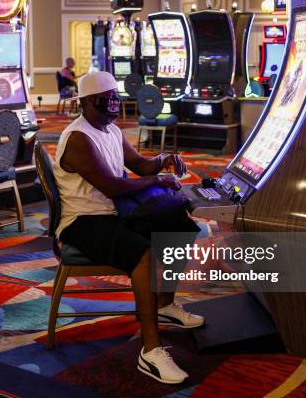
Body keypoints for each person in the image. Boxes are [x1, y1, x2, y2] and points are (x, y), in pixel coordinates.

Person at [53, 71, 205, 384]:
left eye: (114, 97)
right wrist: (155, 180)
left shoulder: (110, 129)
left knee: (180, 225)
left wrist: (163, 159)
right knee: (143, 254)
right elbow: (112, 186)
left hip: (115, 212)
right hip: (84, 221)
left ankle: (164, 304)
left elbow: (140, 165)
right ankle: (150, 351)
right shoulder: (79, 137)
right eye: (105, 99)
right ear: (86, 102)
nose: (112, 103)